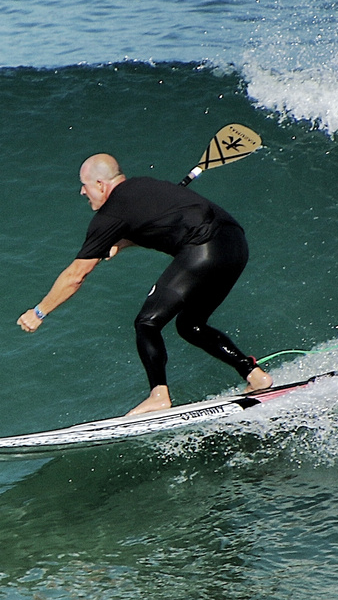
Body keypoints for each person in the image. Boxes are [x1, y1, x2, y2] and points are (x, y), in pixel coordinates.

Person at [18, 153, 272, 415]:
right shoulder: (146, 186)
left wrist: (39, 312)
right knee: (190, 325)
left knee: (147, 323)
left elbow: (76, 275)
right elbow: (165, 224)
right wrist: (124, 242)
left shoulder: (111, 212)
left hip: (203, 249)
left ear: (101, 184)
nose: (83, 192)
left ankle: (159, 396)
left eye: (85, 185)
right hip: (235, 246)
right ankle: (255, 376)